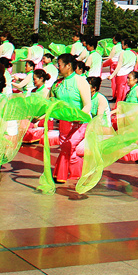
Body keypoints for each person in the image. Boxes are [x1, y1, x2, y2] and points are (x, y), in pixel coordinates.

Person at [50, 53, 92, 184]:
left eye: (60, 65)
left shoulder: (80, 81)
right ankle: (77, 173)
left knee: (67, 146)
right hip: (64, 123)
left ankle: (60, 174)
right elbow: (52, 105)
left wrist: (78, 118)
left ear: (68, 66)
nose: (58, 67)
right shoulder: (57, 84)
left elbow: (88, 105)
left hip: (80, 123)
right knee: (69, 150)